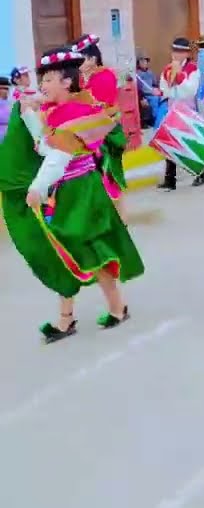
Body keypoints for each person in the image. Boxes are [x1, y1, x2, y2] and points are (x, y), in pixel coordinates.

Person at [0, 46, 145, 342]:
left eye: (48, 80)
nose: (42, 86)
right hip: (70, 190)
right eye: (42, 80)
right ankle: (89, 313)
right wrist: (30, 113)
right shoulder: (64, 109)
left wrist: (37, 188)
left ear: (67, 82)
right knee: (75, 249)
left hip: (80, 191)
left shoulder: (74, 112)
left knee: (75, 247)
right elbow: (44, 145)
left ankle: (90, 313)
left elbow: (55, 157)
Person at [72, 34, 129, 209]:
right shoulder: (82, 79)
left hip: (105, 132)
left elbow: (100, 107)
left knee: (107, 173)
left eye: (81, 60)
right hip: (88, 132)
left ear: (92, 59)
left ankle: (117, 216)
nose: (78, 65)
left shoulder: (105, 76)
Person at [158, 37, 204, 190]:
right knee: (169, 144)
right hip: (172, 108)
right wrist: (168, 89)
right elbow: (164, 88)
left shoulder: (193, 69)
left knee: (189, 144)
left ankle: (200, 174)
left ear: (186, 54)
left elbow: (190, 90)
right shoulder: (167, 68)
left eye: (180, 52)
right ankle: (170, 180)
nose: (176, 55)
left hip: (188, 109)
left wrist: (179, 78)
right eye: (174, 51)